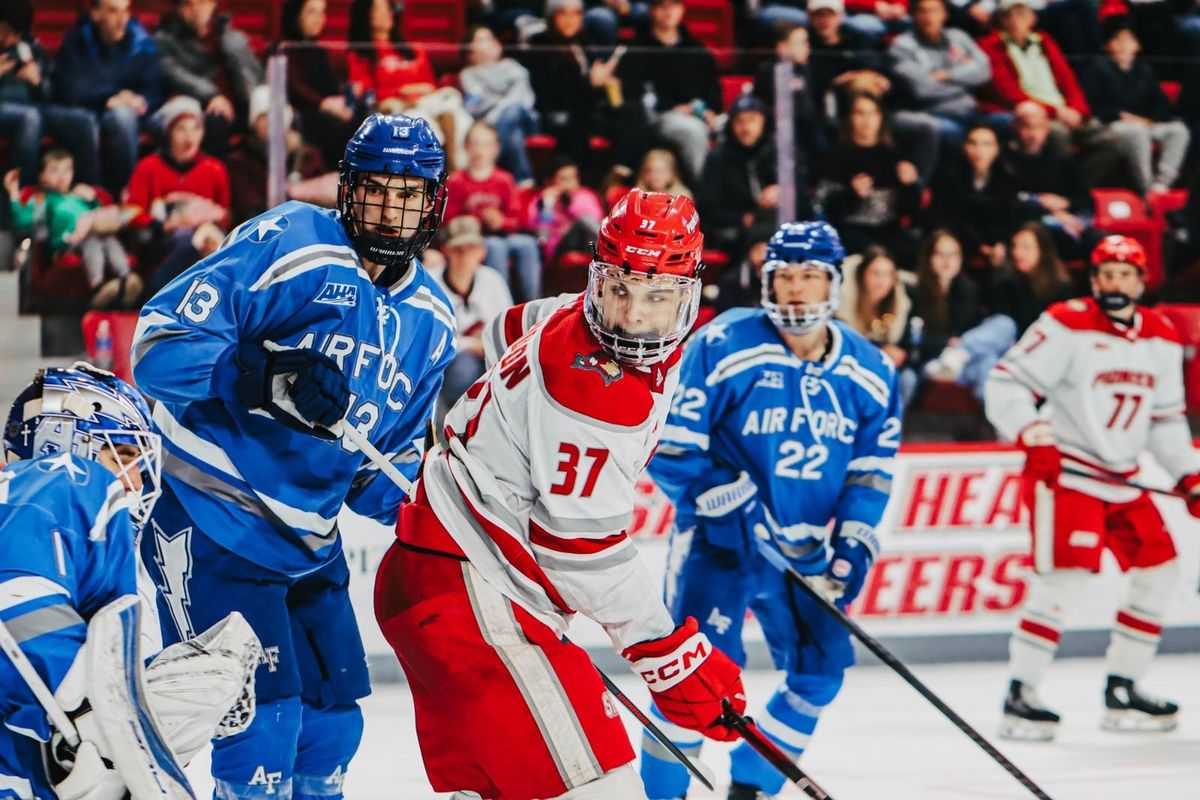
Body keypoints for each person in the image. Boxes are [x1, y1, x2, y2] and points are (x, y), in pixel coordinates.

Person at [375, 189, 748, 800]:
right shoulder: (599, 393)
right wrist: (666, 650)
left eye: (657, 297)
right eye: (620, 289)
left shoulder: (564, 311)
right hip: (479, 599)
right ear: (598, 276)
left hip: (431, 584)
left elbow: (500, 331)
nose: (631, 316)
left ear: (689, 293)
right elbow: (578, 548)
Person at [130, 113, 456, 800]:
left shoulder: (435, 319)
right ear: (347, 189)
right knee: (261, 734)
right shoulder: (293, 241)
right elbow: (157, 346)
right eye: (376, 189)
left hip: (310, 541)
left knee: (333, 729)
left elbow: (375, 471)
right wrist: (259, 373)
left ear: (434, 203)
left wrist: (452, 510)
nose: (391, 209)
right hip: (211, 516)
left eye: (408, 193)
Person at [640, 221, 901, 800]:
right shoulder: (721, 342)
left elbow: (871, 472)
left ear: (834, 283)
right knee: (693, 688)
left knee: (821, 672)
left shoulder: (872, 371)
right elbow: (666, 440)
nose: (796, 290)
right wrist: (716, 497)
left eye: (810, 276)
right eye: (784, 276)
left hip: (805, 556)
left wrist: (854, 542)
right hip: (721, 547)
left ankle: (752, 790)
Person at [0, 363, 261, 800]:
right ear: (61, 442)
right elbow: (16, 599)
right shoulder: (63, 479)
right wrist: (98, 717)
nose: (139, 479)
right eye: (121, 455)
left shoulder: (109, 546)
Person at [984, 235, 1200, 741]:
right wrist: (1032, 434)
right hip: (1070, 473)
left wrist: (1187, 475)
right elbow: (1006, 382)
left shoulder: (1163, 336)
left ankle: (1124, 686)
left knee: (1161, 570)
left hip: (1123, 479)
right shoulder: (1066, 322)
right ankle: (1022, 693)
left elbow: (1165, 420)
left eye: (1126, 274)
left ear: (1142, 281)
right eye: (1107, 273)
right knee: (1062, 582)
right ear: (1094, 279)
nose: (1116, 283)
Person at [50, 0, 164, 195]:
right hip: (90, 109)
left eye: (125, 11)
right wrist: (108, 97)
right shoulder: (77, 40)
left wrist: (141, 100)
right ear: (96, 14)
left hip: (134, 110)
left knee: (180, 114)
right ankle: (108, 193)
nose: (122, 20)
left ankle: (142, 191)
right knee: (107, 119)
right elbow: (67, 87)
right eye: (113, 11)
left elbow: (155, 89)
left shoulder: (141, 40)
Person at [5, 150, 140, 309]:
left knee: (109, 239)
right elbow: (22, 220)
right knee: (92, 240)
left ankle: (125, 277)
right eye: (54, 170)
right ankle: (96, 285)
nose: (62, 175)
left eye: (67, 170)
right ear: (42, 176)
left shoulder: (78, 195)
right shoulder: (45, 198)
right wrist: (13, 193)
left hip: (94, 233)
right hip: (67, 242)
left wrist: (92, 199)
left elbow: (100, 213)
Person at [905, 229, 1016, 407]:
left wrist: (961, 347)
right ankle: (956, 355)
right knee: (987, 358)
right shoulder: (914, 292)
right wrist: (948, 343)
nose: (947, 260)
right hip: (933, 364)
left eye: (953, 254)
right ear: (929, 258)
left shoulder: (968, 289)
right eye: (941, 254)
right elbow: (912, 340)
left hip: (961, 361)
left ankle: (996, 422)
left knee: (1004, 326)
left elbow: (978, 331)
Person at [1083, 16, 1191, 195]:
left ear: (1137, 46)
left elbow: (1161, 102)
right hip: (1113, 124)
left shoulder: (1144, 71)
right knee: (1136, 131)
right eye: (1118, 40)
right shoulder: (1097, 69)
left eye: (1129, 40)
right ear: (1108, 45)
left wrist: (1153, 119)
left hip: (1146, 123)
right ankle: (1146, 187)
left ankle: (1162, 184)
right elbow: (1092, 106)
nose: (1124, 45)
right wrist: (1122, 116)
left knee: (1178, 130)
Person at [443, 120, 542, 302]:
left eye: (486, 144)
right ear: (466, 147)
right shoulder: (457, 181)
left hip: (505, 235)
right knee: (495, 247)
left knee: (527, 244)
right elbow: (449, 220)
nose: (480, 150)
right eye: (475, 143)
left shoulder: (504, 179)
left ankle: (533, 302)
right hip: (476, 237)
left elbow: (517, 219)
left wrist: (500, 221)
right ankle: (501, 304)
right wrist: (478, 220)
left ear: (495, 149)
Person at [428, 215, 513, 426]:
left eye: (471, 248)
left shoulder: (493, 280)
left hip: (490, 359)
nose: (464, 255)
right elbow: (428, 340)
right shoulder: (431, 281)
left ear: (482, 252)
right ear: (446, 250)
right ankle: (458, 426)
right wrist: (469, 343)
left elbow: (506, 331)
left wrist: (485, 343)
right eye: (458, 248)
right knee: (463, 366)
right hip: (444, 363)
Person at [152, 0, 265, 157]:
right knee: (216, 121)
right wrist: (213, 95)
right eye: (189, 5)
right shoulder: (165, 39)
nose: (197, 10)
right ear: (179, 9)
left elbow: (255, 77)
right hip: (198, 106)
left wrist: (259, 110)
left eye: (202, 3)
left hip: (240, 105)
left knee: (278, 117)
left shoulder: (231, 36)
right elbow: (177, 76)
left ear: (213, 5)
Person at [821, 91, 922, 260]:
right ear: (849, 117)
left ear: (880, 117)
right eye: (860, 113)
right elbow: (828, 208)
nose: (867, 120)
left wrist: (909, 185)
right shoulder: (835, 156)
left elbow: (909, 210)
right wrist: (852, 193)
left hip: (889, 230)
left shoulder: (895, 155)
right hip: (850, 229)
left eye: (872, 113)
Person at [459, 24, 538, 185]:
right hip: (495, 126)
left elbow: (523, 100)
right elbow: (475, 106)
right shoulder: (468, 74)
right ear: (470, 52)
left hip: (524, 120)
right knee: (515, 134)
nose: (489, 42)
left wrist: (497, 110)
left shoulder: (513, 67)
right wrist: (503, 102)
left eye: (490, 37)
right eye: (481, 39)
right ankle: (524, 180)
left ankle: (486, 164)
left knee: (513, 111)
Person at [990, 222, 1079, 336]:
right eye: (1015, 246)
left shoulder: (1061, 287)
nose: (1017, 252)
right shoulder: (1005, 282)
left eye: (1026, 247)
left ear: (1042, 251)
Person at [837, 244, 912, 369]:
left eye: (887, 274)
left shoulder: (899, 305)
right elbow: (846, 343)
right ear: (862, 275)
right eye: (876, 273)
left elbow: (904, 347)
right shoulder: (844, 304)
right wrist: (881, 350)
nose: (881, 281)